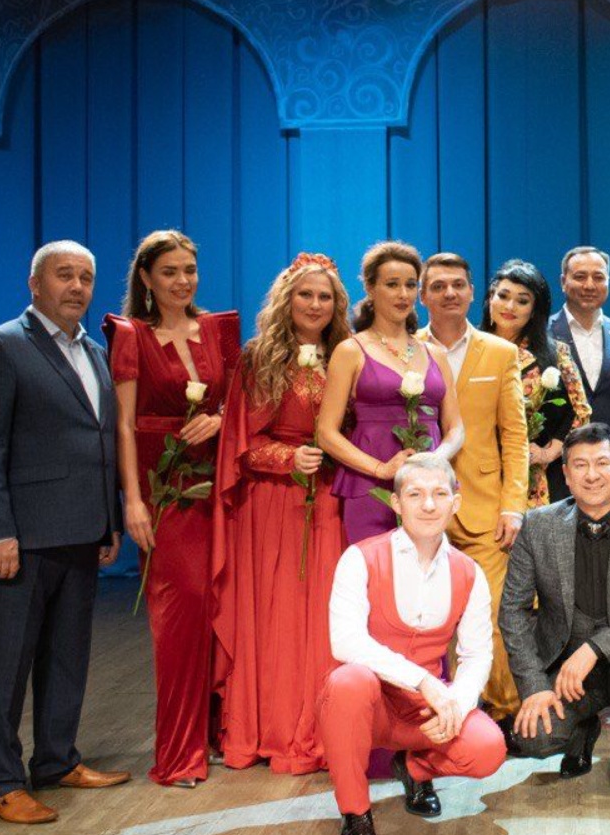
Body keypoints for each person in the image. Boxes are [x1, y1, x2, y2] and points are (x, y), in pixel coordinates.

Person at [0, 241, 130, 823]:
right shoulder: (0, 346)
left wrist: (109, 523)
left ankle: (56, 760)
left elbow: (101, 444)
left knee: (67, 658)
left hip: (82, 532)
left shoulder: (96, 353)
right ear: (35, 283)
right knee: (8, 665)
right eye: (64, 275)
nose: (77, 286)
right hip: (23, 538)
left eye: (86, 277)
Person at [318, 453, 507, 835]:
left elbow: (477, 654)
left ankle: (414, 769)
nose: (428, 505)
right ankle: (356, 814)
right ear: (396, 503)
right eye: (415, 494)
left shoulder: (469, 572)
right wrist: (424, 681)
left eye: (439, 494)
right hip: (369, 707)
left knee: (489, 748)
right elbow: (345, 641)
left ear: (456, 502)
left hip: (425, 712)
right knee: (348, 680)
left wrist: (456, 705)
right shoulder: (360, 558)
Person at [105, 230, 241, 787]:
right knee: (179, 622)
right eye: (169, 272)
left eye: (189, 270)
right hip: (165, 498)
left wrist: (221, 417)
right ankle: (179, 753)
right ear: (145, 278)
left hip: (220, 491)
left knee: (221, 614)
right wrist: (133, 501)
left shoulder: (218, 330)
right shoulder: (131, 335)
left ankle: (219, 732)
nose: (182, 281)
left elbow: (240, 401)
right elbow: (123, 425)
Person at [212, 252, 353, 773]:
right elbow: (242, 445)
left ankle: (328, 726)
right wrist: (287, 458)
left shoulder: (348, 353)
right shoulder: (259, 358)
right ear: (286, 300)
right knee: (279, 619)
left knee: (327, 616)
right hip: (274, 503)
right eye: (305, 295)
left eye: (325, 297)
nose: (315, 305)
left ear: (338, 304)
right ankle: (272, 726)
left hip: (331, 500)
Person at [500, 424, 610, 798]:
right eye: (580, 465)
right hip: (565, 666)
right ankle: (583, 727)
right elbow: (513, 611)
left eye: (602, 462)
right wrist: (534, 688)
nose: (592, 475)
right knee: (535, 739)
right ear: (566, 474)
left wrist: (595, 648)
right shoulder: (537, 525)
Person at [417, 251, 529, 720]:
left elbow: (515, 436)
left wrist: (513, 505)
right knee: (428, 618)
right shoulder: (403, 348)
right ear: (422, 295)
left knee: (494, 616)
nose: (449, 293)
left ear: (471, 292)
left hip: (486, 509)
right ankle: (438, 713)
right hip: (421, 508)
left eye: (458, 285)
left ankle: (506, 713)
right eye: (438, 286)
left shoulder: (500, 352)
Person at [317, 242, 462, 545]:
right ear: (370, 288)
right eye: (392, 284)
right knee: (375, 568)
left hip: (427, 488)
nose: (403, 294)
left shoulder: (435, 353)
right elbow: (326, 433)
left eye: (410, 285)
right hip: (370, 487)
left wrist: (433, 461)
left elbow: (456, 427)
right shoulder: (350, 350)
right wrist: (381, 469)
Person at [479, 259, 592, 507]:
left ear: (534, 310)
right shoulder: (470, 348)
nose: (510, 306)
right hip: (475, 474)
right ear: (490, 298)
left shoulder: (556, 353)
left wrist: (548, 452)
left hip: (531, 479)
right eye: (503, 296)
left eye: (522, 301)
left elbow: (580, 411)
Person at [549, 246, 610, 502]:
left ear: (608, 282)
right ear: (563, 281)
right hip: (557, 469)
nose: (589, 285)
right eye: (580, 276)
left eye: (598, 277)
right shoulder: (543, 333)